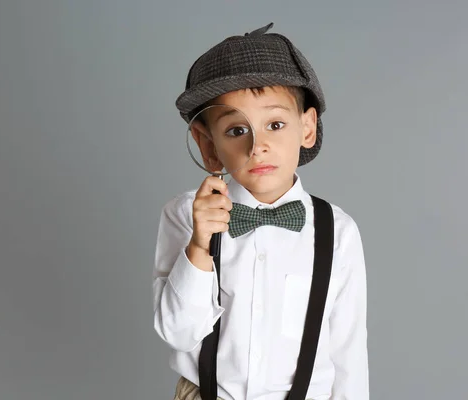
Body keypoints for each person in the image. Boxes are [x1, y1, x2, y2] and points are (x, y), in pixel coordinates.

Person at [153, 22, 369, 400]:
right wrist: (199, 246)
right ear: (208, 145)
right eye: (237, 130)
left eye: (275, 124)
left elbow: (348, 351)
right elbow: (179, 332)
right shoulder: (185, 214)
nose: (258, 146)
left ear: (307, 128)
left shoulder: (338, 230)